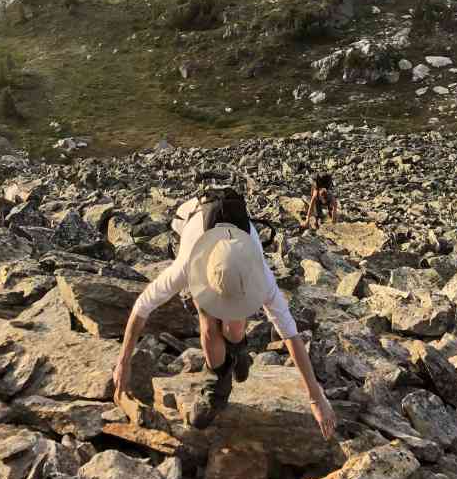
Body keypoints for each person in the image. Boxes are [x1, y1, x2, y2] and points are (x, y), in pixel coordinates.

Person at [112, 186, 337, 438]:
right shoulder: (186, 266)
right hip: (200, 235)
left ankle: (238, 352)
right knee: (208, 323)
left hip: (232, 251)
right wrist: (123, 362)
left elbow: (290, 335)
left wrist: (316, 398)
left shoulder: (259, 273)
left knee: (233, 325)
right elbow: (141, 308)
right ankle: (217, 390)